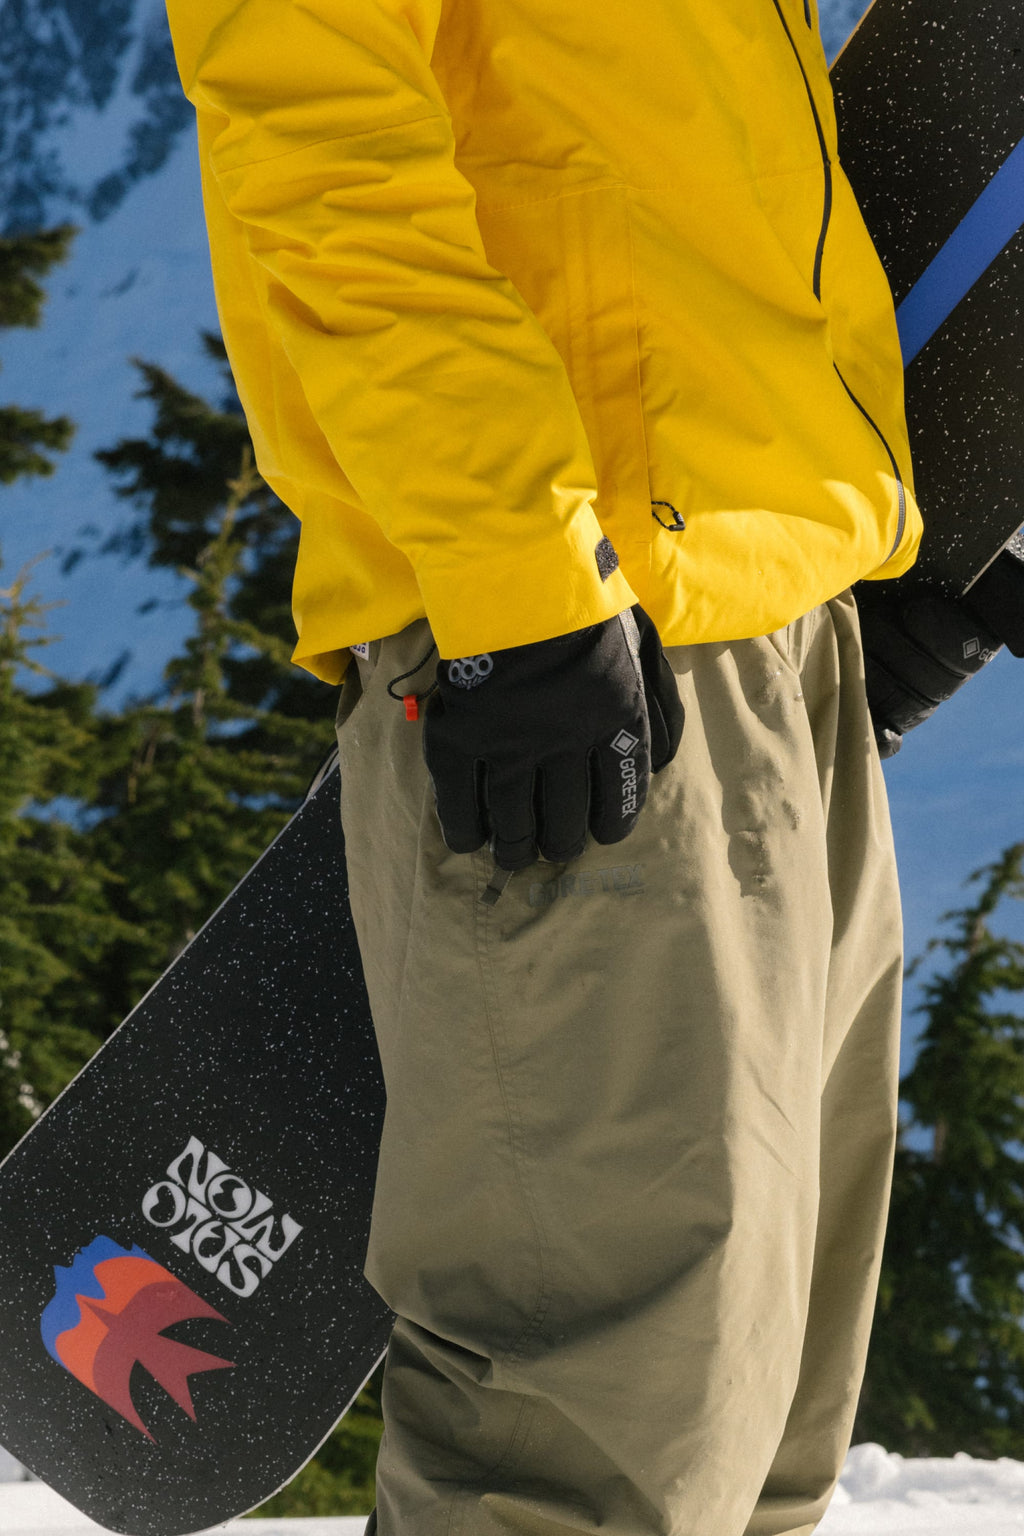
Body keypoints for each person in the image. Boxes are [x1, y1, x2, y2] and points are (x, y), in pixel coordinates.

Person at [161, 0, 1008, 1530]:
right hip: (593, 631)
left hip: (778, 627)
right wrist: (519, 588)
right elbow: (320, 145)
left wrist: (884, 522)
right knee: (591, 1450)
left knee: (754, 1448)